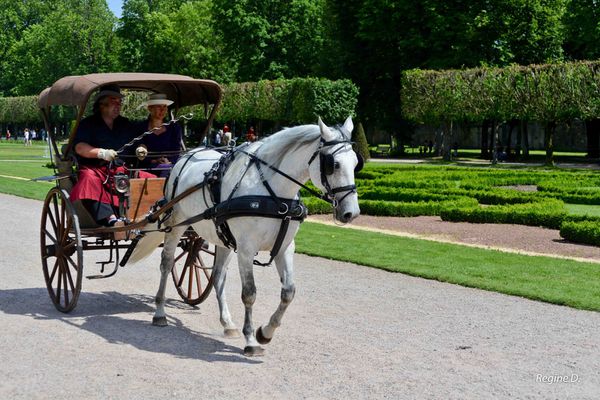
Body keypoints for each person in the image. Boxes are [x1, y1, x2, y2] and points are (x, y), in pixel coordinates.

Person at [69, 84, 155, 228]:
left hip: (122, 170)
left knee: (151, 180)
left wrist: (141, 149)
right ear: (102, 104)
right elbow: (80, 147)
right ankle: (111, 219)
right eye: (114, 102)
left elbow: (140, 143)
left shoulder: (125, 124)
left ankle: (152, 216)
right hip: (96, 170)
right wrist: (102, 153)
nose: (118, 106)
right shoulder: (87, 124)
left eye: (119, 103)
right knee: (88, 180)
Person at [133, 93, 182, 177]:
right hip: (146, 168)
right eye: (159, 107)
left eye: (165, 107)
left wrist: (168, 161)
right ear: (150, 108)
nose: (162, 110)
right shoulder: (140, 128)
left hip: (169, 167)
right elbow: (139, 150)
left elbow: (176, 149)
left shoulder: (174, 128)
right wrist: (154, 161)